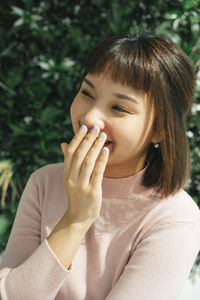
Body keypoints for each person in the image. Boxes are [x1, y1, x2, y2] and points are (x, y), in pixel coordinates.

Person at [0, 32, 200, 300]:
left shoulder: (174, 217)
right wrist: (75, 219)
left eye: (119, 107)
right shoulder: (44, 184)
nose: (90, 117)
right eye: (87, 92)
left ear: (160, 130)